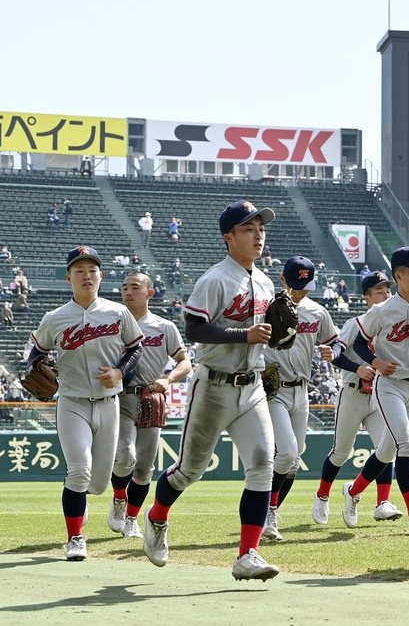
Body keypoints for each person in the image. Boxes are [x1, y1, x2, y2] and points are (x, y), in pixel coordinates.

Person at [142, 200, 280, 581]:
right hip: (214, 385)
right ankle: (156, 517)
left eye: (260, 228)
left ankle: (247, 554)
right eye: (249, 228)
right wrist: (245, 334)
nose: (258, 234)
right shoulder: (215, 278)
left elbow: (266, 334)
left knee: (262, 465)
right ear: (229, 237)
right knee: (189, 471)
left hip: (251, 387)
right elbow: (194, 330)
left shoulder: (266, 282)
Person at [28, 247, 144, 561]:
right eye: (79, 270)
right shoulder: (55, 317)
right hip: (72, 403)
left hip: (108, 404)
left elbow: (136, 348)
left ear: (100, 276)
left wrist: (120, 371)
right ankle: (76, 539)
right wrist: (38, 368)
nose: (86, 275)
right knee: (78, 471)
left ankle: (88, 502)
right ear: (69, 277)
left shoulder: (116, 312)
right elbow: (35, 353)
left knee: (99, 482)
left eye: (92, 269)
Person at [339, 247, 409, 536]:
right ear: (399, 275)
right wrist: (376, 361)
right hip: (390, 385)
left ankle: (353, 491)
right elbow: (356, 344)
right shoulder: (382, 311)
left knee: (387, 450)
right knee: (407, 444)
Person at [312, 271, 402, 526]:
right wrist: (357, 368)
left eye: (387, 290)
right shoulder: (356, 322)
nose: (386, 295)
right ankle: (322, 496)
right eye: (379, 291)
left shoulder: (392, 322)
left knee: (387, 449)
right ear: (366, 298)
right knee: (341, 453)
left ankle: (382, 502)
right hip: (353, 391)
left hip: (380, 394)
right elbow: (337, 352)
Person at [262, 257, 341, 542]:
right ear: (282, 280)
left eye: (305, 286)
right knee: (286, 451)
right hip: (273, 389)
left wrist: (334, 353)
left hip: (301, 390)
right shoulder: (265, 308)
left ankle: (268, 512)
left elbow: (336, 343)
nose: (299, 291)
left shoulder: (317, 312)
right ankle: (268, 513)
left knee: (293, 459)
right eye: (295, 285)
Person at [107, 271, 191, 539]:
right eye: (124, 288)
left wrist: (168, 379)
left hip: (151, 398)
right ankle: (119, 498)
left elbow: (185, 362)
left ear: (150, 293)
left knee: (144, 467)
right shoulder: (110, 323)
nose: (127, 292)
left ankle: (132, 518)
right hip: (120, 397)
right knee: (124, 455)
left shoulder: (164, 326)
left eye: (134, 287)